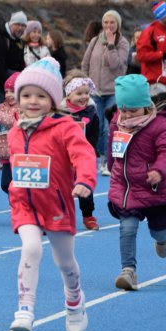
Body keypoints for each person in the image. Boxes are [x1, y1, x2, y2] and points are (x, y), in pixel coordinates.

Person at [6, 57, 96, 331]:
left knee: (64, 262)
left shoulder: (65, 127)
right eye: (27, 95)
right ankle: (25, 308)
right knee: (31, 248)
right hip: (25, 204)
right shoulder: (14, 132)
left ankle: (74, 299)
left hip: (57, 203)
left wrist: (84, 181)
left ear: (53, 99)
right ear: (18, 98)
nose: (33, 101)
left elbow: (84, 155)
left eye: (41, 96)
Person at [106, 74, 166, 291]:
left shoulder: (159, 125)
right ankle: (128, 271)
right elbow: (111, 148)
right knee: (127, 227)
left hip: (154, 187)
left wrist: (159, 170)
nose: (126, 115)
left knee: (160, 231)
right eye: (123, 109)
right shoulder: (117, 122)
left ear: (146, 106)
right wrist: (111, 167)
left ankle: (162, 240)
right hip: (126, 187)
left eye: (132, 110)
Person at [81, 9, 129, 176]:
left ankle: (107, 161)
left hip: (113, 91)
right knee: (97, 126)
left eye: (112, 22)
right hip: (95, 92)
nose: (108, 26)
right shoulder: (94, 41)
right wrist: (86, 82)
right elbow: (85, 63)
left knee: (109, 128)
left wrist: (110, 45)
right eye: (106, 22)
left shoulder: (122, 43)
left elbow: (116, 65)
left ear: (118, 25)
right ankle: (101, 155)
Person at [0, 11, 26, 170]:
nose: (20, 28)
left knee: (10, 121)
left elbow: (20, 64)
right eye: (18, 24)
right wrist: (10, 89)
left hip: (11, 85)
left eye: (23, 25)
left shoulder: (18, 41)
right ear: (11, 23)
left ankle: (10, 153)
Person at [62, 71, 100, 230]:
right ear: (68, 95)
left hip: (83, 156)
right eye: (79, 93)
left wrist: (89, 152)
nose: (84, 97)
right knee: (61, 187)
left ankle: (88, 215)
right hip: (63, 157)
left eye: (86, 93)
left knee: (85, 185)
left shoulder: (91, 113)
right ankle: (59, 215)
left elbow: (94, 135)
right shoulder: (60, 113)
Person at [136, 1, 166, 94]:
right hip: (155, 83)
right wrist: (161, 55)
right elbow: (141, 55)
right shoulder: (149, 32)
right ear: (161, 15)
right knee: (159, 109)